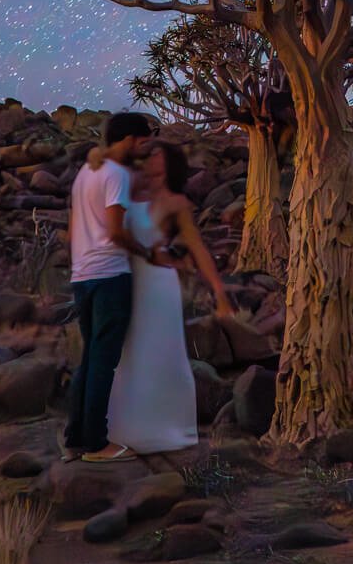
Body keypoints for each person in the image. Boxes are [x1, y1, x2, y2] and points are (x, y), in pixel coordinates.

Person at [106, 138, 234, 457]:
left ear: (168, 163)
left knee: (160, 354)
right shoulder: (128, 190)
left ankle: (164, 429)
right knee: (128, 355)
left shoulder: (176, 202)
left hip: (159, 287)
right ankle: (125, 429)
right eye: (148, 153)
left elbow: (198, 248)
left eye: (156, 154)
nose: (149, 158)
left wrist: (219, 292)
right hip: (128, 279)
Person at [62, 111, 151, 463]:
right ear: (128, 138)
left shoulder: (86, 173)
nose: (145, 148)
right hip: (110, 274)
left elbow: (72, 231)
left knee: (89, 358)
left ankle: (75, 437)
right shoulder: (116, 174)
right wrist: (143, 252)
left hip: (83, 275)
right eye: (143, 141)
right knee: (103, 361)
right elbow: (115, 230)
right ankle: (97, 444)